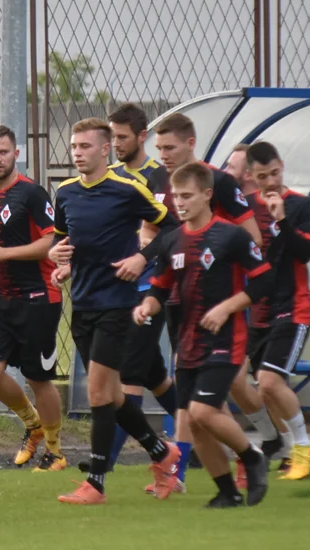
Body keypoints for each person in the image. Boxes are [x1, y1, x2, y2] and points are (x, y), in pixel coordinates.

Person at [49, 117, 181, 505]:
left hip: (118, 304)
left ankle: (96, 483)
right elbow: (62, 241)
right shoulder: (65, 193)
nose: (77, 153)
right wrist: (61, 261)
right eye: (74, 146)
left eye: (85, 146)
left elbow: (174, 229)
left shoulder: (128, 189)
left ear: (105, 149)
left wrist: (142, 258)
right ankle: (162, 452)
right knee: (111, 395)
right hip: (83, 304)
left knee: (97, 392)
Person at [134, 160, 271, 508]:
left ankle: (252, 456)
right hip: (187, 344)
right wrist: (147, 306)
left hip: (226, 341)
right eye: (176, 197)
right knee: (195, 424)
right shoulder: (171, 241)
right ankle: (227, 492)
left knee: (203, 411)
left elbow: (264, 281)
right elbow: (160, 287)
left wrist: (227, 308)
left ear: (208, 194)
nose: (179, 203)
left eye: (187, 196)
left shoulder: (231, 236)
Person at [0, 125, 66, 472]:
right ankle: (33, 424)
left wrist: (3, 254)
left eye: (4, 152)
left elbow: (51, 242)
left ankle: (55, 452)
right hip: (3, 297)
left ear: (17, 154)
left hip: (39, 297)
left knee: (38, 378)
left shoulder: (32, 193)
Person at [100, 103, 179, 478]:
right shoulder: (109, 176)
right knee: (154, 376)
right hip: (115, 292)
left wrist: (143, 254)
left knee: (127, 375)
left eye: (122, 137)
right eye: (112, 136)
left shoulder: (160, 178)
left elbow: (172, 233)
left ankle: (103, 466)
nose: (116, 144)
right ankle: (200, 436)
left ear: (141, 136)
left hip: (150, 289)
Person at [243, 141, 310, 481]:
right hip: (258, 310)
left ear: (282, 166)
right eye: (263, 176)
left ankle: (304, 451)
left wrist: (282, 220)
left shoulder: (302, 205)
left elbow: (305, 253)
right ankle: (292, 451)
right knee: (261, 387)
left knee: (270, 381)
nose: (271, 182)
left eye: (275, 173)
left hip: (293, 307)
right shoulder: (246, 208)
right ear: (252, 176)